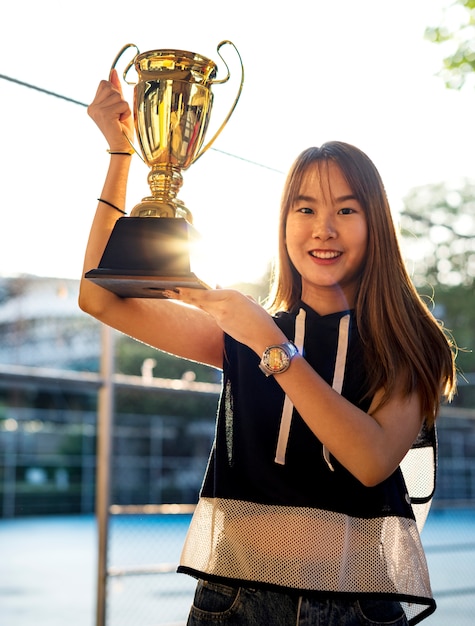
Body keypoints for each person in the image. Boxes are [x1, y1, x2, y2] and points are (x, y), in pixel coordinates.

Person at [80, 70, 457, 626]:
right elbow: (99, 295)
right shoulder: (244, 328)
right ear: (283, 225)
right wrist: (121, 155)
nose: (323, 229)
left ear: (376, 224)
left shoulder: (409, 341)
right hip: (233, 603)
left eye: (346, 210)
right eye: (304, 209)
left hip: (355, 610)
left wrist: (271, 345)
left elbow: (372, 459)